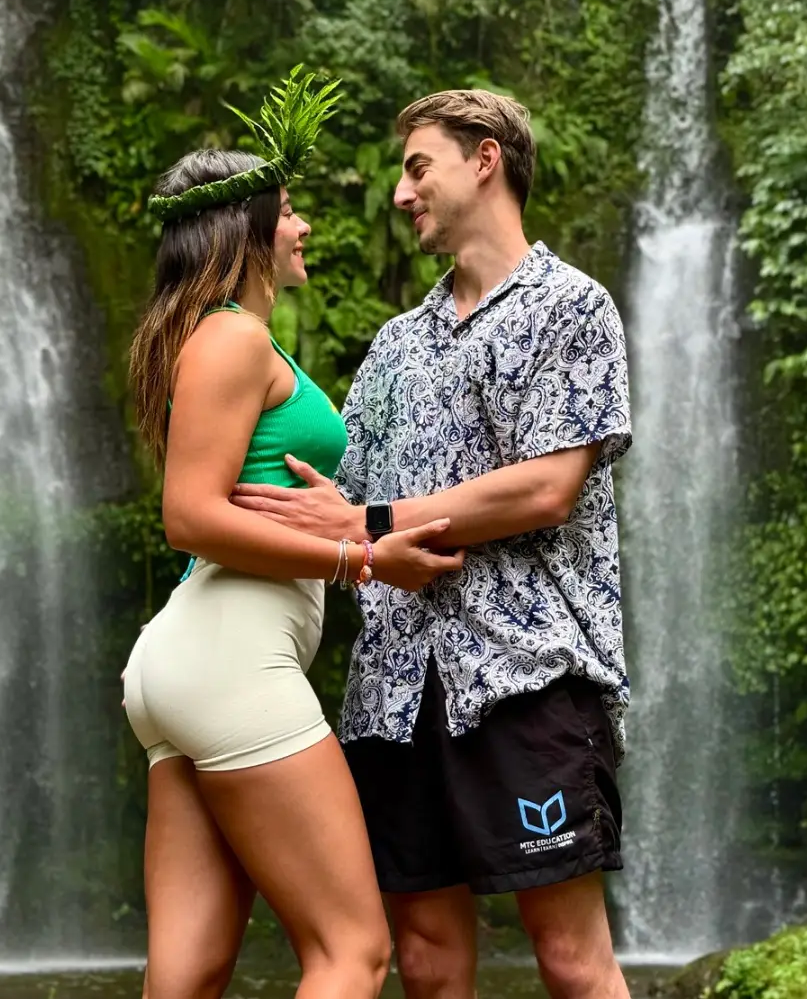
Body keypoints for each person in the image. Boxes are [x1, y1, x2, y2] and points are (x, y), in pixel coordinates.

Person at [231, 88, 633, 999]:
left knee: (571, 959)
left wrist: (370, 523)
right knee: (426, 959)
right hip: (393, 693)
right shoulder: (394, 346)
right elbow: (339, 506)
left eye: (418, 168)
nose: (401, 194)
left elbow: (546, 488)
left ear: (485, 158)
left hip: (526, 675)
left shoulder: (572, 307)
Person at [122, 69, 465, 999]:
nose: (303, 226)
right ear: (245, 232)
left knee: (188, 972)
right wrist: (363, 559)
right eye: (287, 213)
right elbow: (190, 516)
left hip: (184, 665)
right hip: (231, 659)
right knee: (351, 950)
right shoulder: (232, 337)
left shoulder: (216, 337)